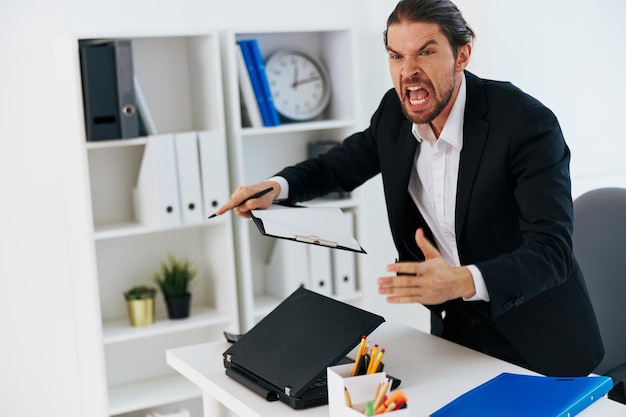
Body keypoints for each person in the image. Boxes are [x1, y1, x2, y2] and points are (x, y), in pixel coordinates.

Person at [215, 0, 603, 376]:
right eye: (396, 56)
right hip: (457, 332)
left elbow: (551, 253)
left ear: (462, 55)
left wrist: (465, 279)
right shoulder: (394, 115)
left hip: (539, 337)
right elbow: (338, 165)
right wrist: (276, 187)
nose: (409, 71)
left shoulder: (525, 124)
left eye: (426, 52)